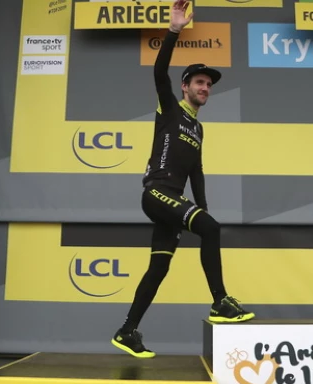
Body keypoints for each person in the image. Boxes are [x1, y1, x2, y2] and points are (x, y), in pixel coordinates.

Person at [111, 0, 255, 359]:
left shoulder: (198, 128)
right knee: (211, 229)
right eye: (200, 82)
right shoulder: (170, 108)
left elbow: (196, 171)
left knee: (159, 267)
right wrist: (174, 30)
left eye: (209, 84)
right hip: (156, 193)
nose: (206, 88)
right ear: (185, 86)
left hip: (172, 204)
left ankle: (127, 331)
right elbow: (160, 72)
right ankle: (220, 301)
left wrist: (203, 209)